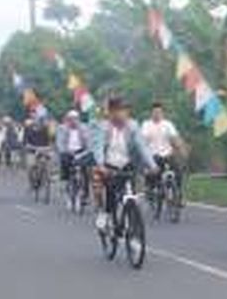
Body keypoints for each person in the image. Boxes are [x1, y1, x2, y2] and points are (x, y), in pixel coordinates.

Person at [92, 97, 158, 231]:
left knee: (132, 189)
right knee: (110, 192)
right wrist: (100, 165)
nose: (123, 113)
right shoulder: (103, 127)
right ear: (111, 112)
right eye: (119, 110)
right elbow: (98, 147)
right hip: (109, 164)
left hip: (128, 163)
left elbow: (142, 147)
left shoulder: (133, 126)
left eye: (125, 110)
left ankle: (132, 210)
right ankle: (105, 213)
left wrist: (152, 165)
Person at [141, 102, 188, 197]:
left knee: (178, 170)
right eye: (155, 112)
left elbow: (175, 138)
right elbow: (143, 140)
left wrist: (182, 149)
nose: (157, 114)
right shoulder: (146, 125)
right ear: (151, 113)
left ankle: (178, 192)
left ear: (162, 113)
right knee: (152, 171)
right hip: (153, 155)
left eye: (159, 112)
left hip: (167, 154)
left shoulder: (167, 124)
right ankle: (149, 187)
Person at [56, 110, 92, 202]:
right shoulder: (62, 128)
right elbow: (60, 143)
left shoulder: (84, 128)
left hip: (81, 152)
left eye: (75, 119)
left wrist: (88, 150)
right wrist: (64, 151)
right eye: (71, 119)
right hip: (68, 151)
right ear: (67, 120)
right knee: (65, 163)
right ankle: (67, 182)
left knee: (86, 171)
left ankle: (85, 194)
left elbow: (88, 141)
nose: (73, 121)